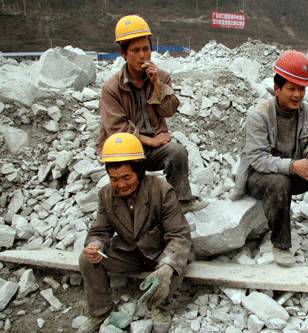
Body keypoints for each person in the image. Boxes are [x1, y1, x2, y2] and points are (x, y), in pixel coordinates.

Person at [231, 51, 308, 267]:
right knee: (279, 181)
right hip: (261, 178)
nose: (297, 95)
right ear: (277, 89)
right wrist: (295, 166)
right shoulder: (259, 115)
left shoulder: (307, 113)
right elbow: (258, 159)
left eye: (301, 89)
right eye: (291, 89)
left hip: (294, 171)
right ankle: (281, 243)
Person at [79, 133, 194, 333]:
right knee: (87, 258)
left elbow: (178, 236)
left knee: (174, 264)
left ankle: (160, 305)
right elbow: (100, 230)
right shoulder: (105, 194)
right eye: (114, 179)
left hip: (161, 252)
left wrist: (166, 267)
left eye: (126, 177)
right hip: (131, 253)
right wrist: (96, 245)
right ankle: (101, 311)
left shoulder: (161, 190)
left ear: (139, 171)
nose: (121, 184)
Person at [96, 14, 207, 214]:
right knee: (128, 179)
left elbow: (170, 110)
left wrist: (157, 84)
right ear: (123, 52)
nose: (143, 56)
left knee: (177, 152)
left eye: (146, 49)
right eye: (135, 50)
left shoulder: (161, 77)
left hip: (154, 148)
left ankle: (182, 202)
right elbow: (117, 130)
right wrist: (151, 141)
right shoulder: (112, 87)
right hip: (124, 151)